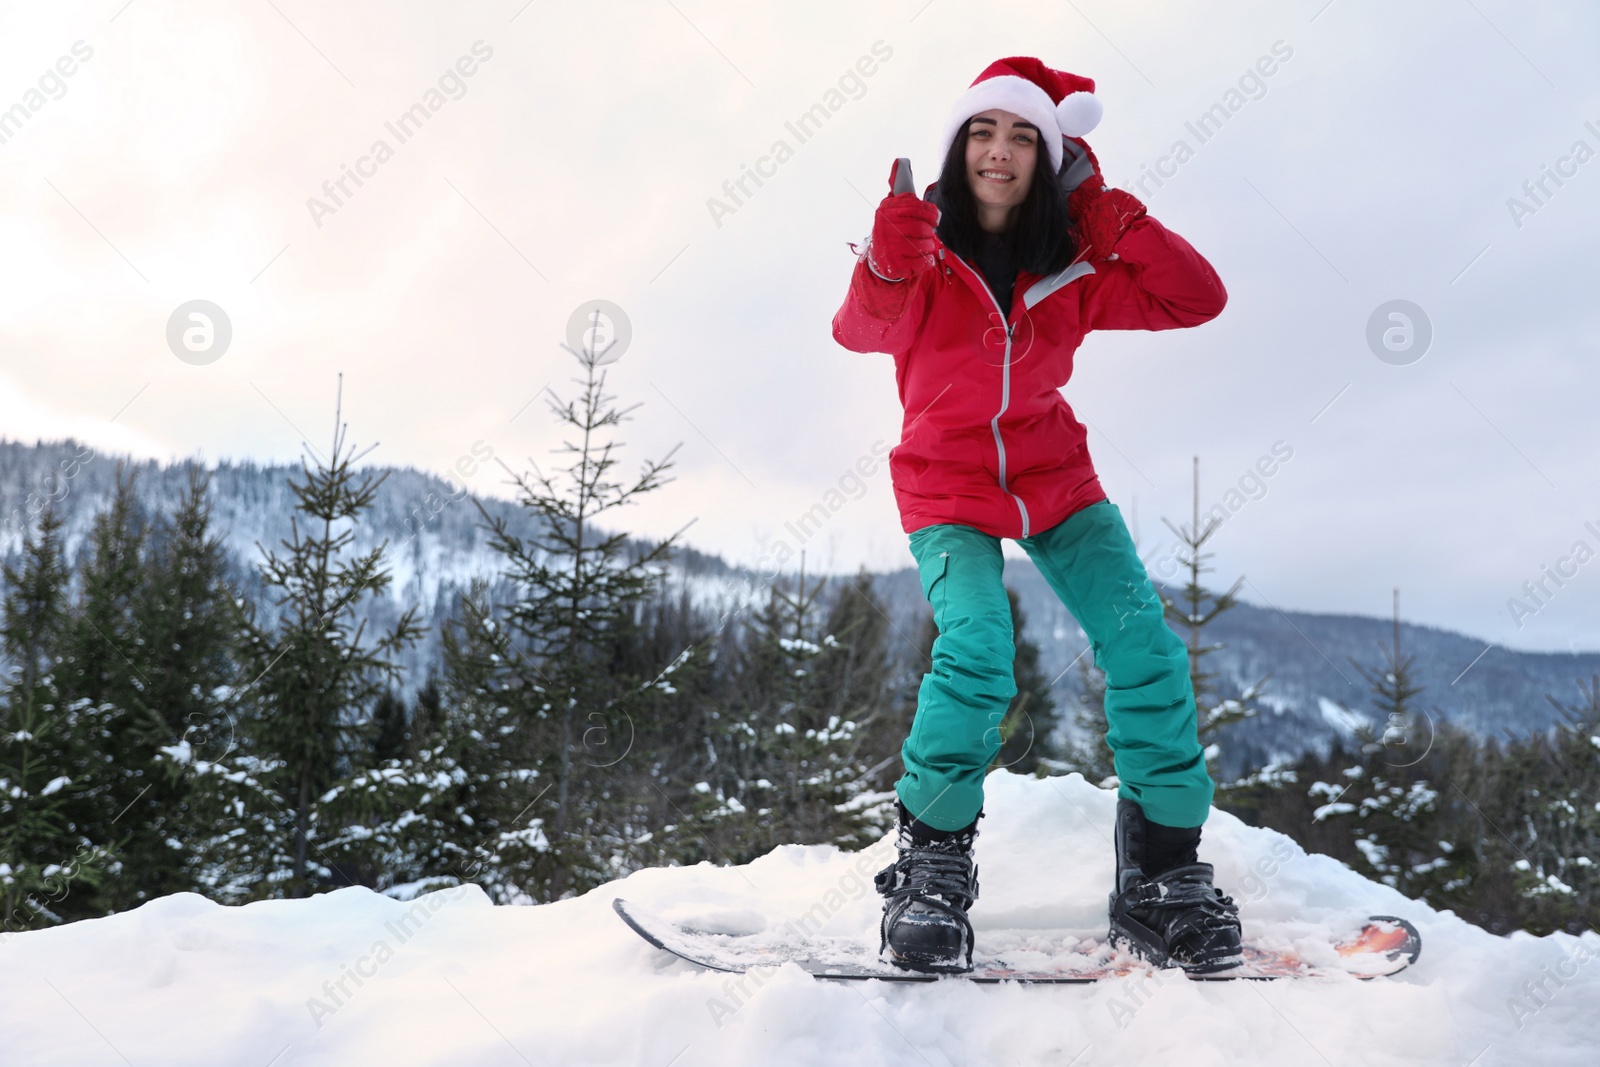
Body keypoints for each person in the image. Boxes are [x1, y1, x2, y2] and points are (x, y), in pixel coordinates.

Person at [831, 57, 1242, 975]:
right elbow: (857, 331)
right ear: (957, 145)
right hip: (946, 484)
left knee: (1145, 646)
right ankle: (932, 867)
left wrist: (1114, 218)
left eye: (1024, 136)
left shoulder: (1073, 266)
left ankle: (1160, 880)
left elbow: (1196, 297)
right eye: (983, 131)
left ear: (1050, 160)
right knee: (976, 646)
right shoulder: (921, 256)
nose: (1000, 151)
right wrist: (887, 265)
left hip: (1056, 478)